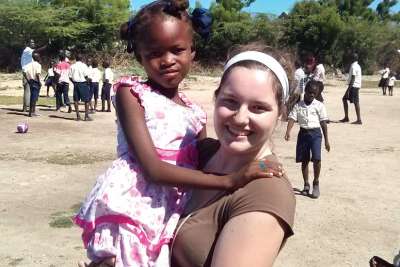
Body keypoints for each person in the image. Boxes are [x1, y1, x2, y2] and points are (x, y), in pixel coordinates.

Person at [74, 2, 279, 267]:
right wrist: (230, 180)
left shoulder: (194, 112)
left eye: (177, 50)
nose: (168, 60)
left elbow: (212, 153)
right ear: (140, 57)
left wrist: (263, 161)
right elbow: (153, 170)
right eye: (154, 53)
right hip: (133, 208)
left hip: (168, 213)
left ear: (192, 52)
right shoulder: (132, 93)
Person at [172, 46, 296, 267]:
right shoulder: (199, 152)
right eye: (230, 101)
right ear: (216, 98)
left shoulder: (266, 192)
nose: (240, 118)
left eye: (258, 107)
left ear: (280, 114)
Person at [285, 80, 330, 199]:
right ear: (305, 91)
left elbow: (323, 123)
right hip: (303, 134)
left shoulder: (319, 105)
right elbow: (292, 118)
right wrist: (288, 131)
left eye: (314, 94)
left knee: (317, 159)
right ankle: (306, 184)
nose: (312, 95)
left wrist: (326, 140)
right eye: (310, 92)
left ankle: (316, 183)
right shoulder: (298, 105)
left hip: (316, 134)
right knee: (304, 160)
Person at [20, 39, 47, 112]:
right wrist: (45, 46)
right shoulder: (27, 50)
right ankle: (26, 108)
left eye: (34, 42)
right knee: (28, 91)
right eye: (32, 42)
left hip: (28, 71)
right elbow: (36, 51)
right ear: (28, 44)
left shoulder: (28, 51)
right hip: (27, 72)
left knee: (29, 90)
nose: (33, 43)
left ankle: (26, 108)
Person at [340, 53, 362, 124]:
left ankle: (359, 120)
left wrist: (348, 90)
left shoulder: (354, 66)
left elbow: (353, 78)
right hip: (355, 85)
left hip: (353, 86)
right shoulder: (357, 65)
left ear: (352, 59)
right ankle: (346, 117)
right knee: (345, 99)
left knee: (356, 102)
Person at [69, 54, 92, 121]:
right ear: (82, 59)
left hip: (76, 84)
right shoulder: (84, 66)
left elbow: (70, 77)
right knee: (86, 100)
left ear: (76, 59)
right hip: (83, 84)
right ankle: (86, 116)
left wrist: (74, 83)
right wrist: (88, 81)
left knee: (76, 100)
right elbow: (86, 76)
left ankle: (78, 116)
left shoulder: (72, 66)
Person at [22, 53, 42, 117]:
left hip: (31, 81)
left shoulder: (28, 64)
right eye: (38, 56)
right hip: (36, 81)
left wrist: (28, 80)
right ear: (37, 57)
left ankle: (32, 111)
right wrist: (39, 82)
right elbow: (37, 74)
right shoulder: (38, 65)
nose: (39, 57)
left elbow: (24, 72)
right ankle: (31, 112)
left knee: (33, 96)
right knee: (34, 97)